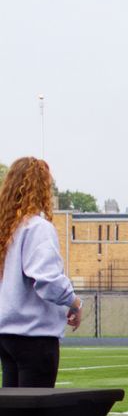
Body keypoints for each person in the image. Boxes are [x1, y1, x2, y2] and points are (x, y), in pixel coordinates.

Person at [0, 159, 80, 388]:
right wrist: (74, 303)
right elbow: (47, 279)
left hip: (6, 334)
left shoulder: (6, 229)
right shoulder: (37, 227)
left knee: (13, 414)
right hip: (34, 335)